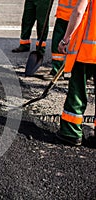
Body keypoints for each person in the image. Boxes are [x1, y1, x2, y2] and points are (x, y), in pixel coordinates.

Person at [57, 0, 96, 146]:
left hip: (87, 49)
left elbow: (78, 11)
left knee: (77, 91)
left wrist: (65, 39)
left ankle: (71, 132)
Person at [44, 0, 78, 79]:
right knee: (57, 42)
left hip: (77, 16)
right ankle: (56, 69)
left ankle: (76, 71)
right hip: (63, 14)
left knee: (77, 45)